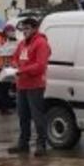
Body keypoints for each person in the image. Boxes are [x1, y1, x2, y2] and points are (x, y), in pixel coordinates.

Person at [7, 17, 51, 158]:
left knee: (37, 116)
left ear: (34, 29)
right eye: (23, 29)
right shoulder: (22, 44)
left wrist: (21, 70)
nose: (24, 32)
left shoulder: (41, 43)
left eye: (27, 29)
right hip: (22, 85)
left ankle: (41, 145)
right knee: (23, 116)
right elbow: (14, 57)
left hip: (35, 85)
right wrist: (14, 65)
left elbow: (40, 65)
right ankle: (23, 144)